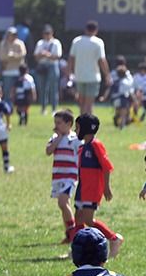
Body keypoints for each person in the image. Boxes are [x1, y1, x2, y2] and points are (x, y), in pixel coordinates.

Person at [73, 113, 122, 256]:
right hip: (82, 188)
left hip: (92, 189)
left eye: (77, 128)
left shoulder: (96, 145)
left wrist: (106, 187)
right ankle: (77, 248)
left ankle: (113, 238)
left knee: (88, 220)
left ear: (86, 128)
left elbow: (106, 167)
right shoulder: (83, 147)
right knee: (78, 218)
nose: (76, 131)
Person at [45, 110, 81, 243]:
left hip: (70, 177)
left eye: (59, 123)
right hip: (58, 177)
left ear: (69, 124)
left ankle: (73, 234)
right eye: (55, 123)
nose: (56, 125)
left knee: (63, 202)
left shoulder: (75, 139)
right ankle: (69, 233)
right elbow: (48, 151)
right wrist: (58, 138)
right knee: (62, 205)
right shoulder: (55, 138)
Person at [68, 21, 110, 116]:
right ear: (96, 30)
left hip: (79, 76)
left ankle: (81, 124)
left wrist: (69, 73)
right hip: (93, 77)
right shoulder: (98, 42)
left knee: (81, 103)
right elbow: (102, 61)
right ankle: (88, 125)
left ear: (85, 29)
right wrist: (107, 75)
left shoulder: (76, 41)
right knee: (89, 104)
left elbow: (71, 58)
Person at [34, 25, 63, 114]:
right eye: (45, 33)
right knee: (43, 88)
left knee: (53, 89)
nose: (46, 35)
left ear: (52, 33)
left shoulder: (56, 43)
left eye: (48, 33)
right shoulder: (40, 43)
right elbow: (36, 56)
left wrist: (47, 55)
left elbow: (57, 56)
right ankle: (43, 108)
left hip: (52, 66)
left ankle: (54, 109)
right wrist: (42, 55)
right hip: (42, 66)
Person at [0, 27, 26, 102]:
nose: (12, 36)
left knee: (19, 92)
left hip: (18, 71)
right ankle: (7, 108)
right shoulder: (3, 44)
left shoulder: (20, 43)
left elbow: (22, 54)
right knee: (7, 91)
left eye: (13, 34)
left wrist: (12, 56)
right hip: (7, 72)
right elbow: (2, 57)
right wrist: (14, 57)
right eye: (10, 34)